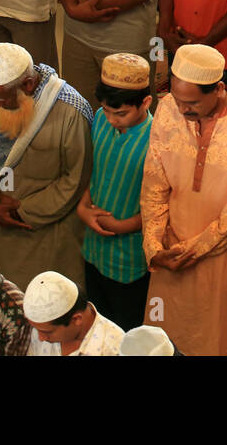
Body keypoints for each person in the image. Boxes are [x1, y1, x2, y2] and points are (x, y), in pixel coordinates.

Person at [142, 44, 227, 355]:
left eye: (191, 103)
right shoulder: (166, 110)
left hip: (225, 258)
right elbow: (154, 184)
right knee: (162, 336)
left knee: (218, 341)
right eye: (177, 99)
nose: (182, 110)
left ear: (217, 89)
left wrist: (193, 251)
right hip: (169, 252)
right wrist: (154, 246)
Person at [0, 42, 93, 291]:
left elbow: (75, 180)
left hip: (49, 231)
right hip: (1, 226)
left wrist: (21, 211)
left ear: (28, 84)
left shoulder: (70, 112)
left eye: (2, 99)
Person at [79, 53, 153, 330]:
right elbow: (96, 171)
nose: (111, 120)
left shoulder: (157, 141)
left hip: (129, 260)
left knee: (124, 328)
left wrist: (124, 226)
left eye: (121, 113)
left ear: (145, 102)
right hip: (94, 249)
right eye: (107, 111)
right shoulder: (99, 118)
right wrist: (83, 207)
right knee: (98, 321)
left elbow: (163, 206)